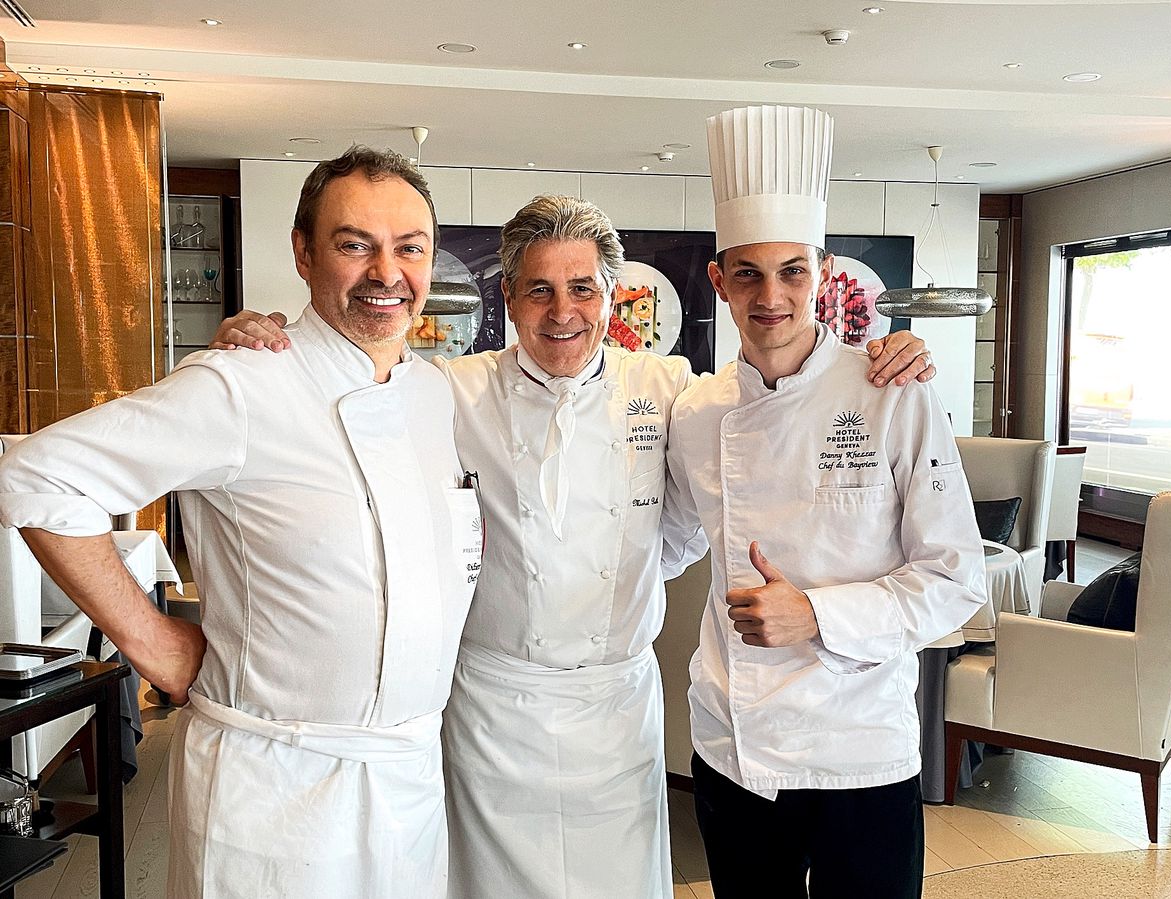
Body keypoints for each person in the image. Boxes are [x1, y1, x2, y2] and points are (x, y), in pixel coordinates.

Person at [212, 195, 935, 898]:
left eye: (582, 289)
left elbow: (719, 486)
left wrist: (875, 357)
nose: (563, 313)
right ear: (509, 296)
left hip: (615, 709)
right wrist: (273, 344)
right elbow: (342, 386)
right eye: (540, 291)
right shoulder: (447, 390)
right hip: (493, 711)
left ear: (612, 294)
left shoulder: (670, 386)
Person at [0, 147, 481, 898]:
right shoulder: (241, 384)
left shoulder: (433, 395)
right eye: (355, 244)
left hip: (408, 780)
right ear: (303, 251)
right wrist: (151, 640)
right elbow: (32, 475)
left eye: (409, 248)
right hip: (273, 788)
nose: (387, 272)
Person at [666, 105, 988, 898]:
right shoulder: (696, 413)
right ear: (718, 279)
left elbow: (956, 580)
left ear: (825, 271)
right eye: (747, 272)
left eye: (792, 271)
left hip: (860, 750)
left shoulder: (893, 392)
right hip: (733, 747)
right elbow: (662, 539)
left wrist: (814, 613)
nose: (770, 295)